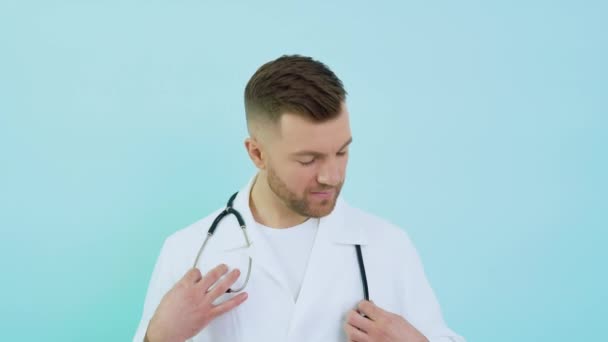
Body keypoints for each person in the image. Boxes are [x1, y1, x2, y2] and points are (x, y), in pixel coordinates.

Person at [133, 55, 465, 342]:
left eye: (342, 151)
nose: (332, 176)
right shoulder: (188, 251)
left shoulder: (389, 246)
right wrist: (158, 337)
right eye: (308, 160)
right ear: (257, 154)